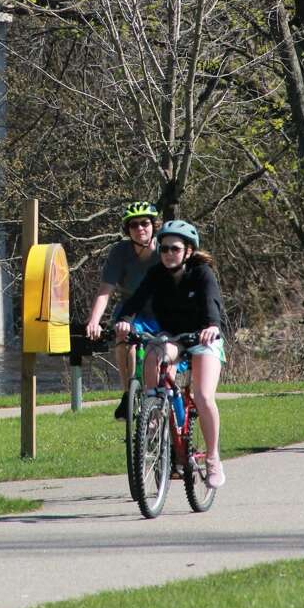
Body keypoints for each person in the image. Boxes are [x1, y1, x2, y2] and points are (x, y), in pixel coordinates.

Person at [114, 219, 227, 489]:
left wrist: (212, 326)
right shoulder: (156, 274)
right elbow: (136, 300)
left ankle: (213, 459)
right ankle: (153, 412)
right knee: (154, 352)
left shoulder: (201, 273)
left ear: (188, 251)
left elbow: (212, 302)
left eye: (174, 249)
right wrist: (125, 320)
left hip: (203, 336)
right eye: (163, 249)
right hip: (174, 337)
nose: (168, 254)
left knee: (202, 395)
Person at [85, 201, 162, 420]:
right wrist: (94, 321)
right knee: (123, 335)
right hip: (131, 310)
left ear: (154, 226)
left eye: (145, 223)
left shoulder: (165, 249)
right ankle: (128, 394)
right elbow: (105, 290)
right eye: (134, 225)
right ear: (128, 230)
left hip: (161, 310)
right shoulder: (120, 252)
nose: (140, 229)